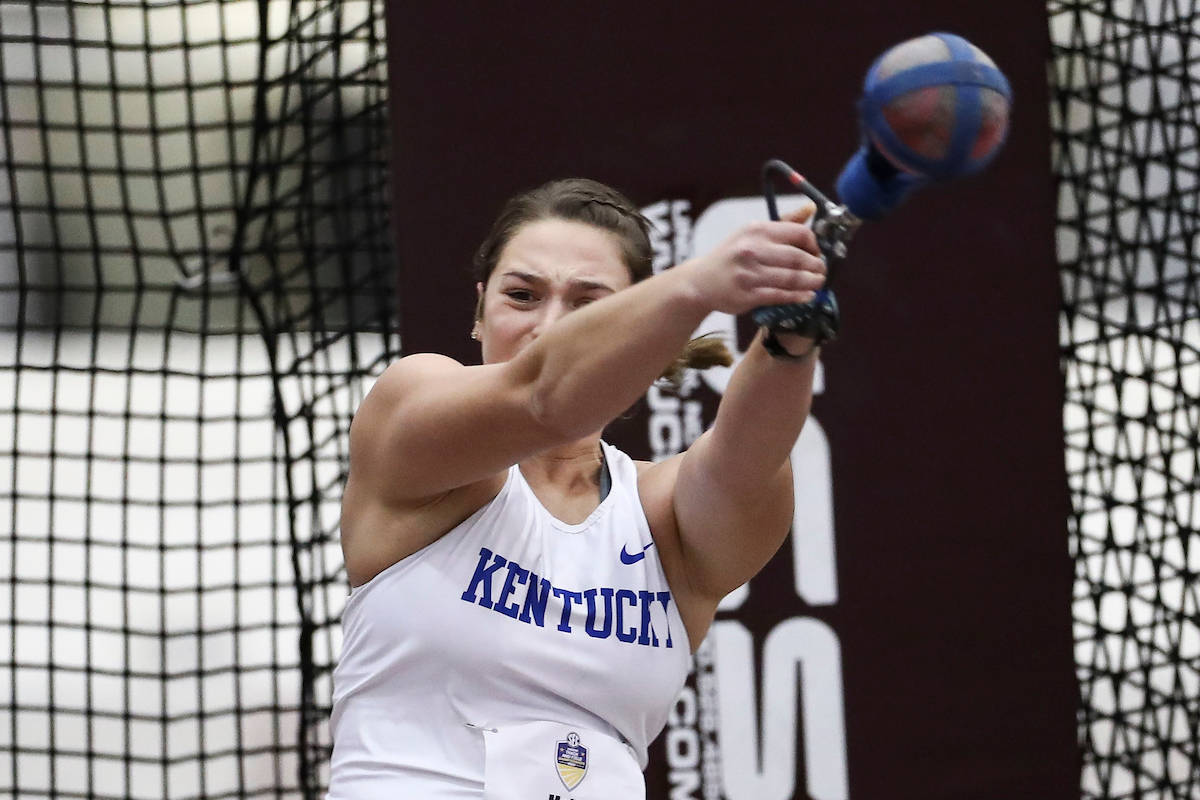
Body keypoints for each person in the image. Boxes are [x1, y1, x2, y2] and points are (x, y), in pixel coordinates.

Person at [327, 178, 826, 800]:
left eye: (589, 305)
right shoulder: (412, 411)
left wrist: (790, 335)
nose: (549, 327)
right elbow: (545, 400)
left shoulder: (659, 514)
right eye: (522, 296)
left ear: (642, 330)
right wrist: (700, 284)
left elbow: (747, 461)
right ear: (479, 312)